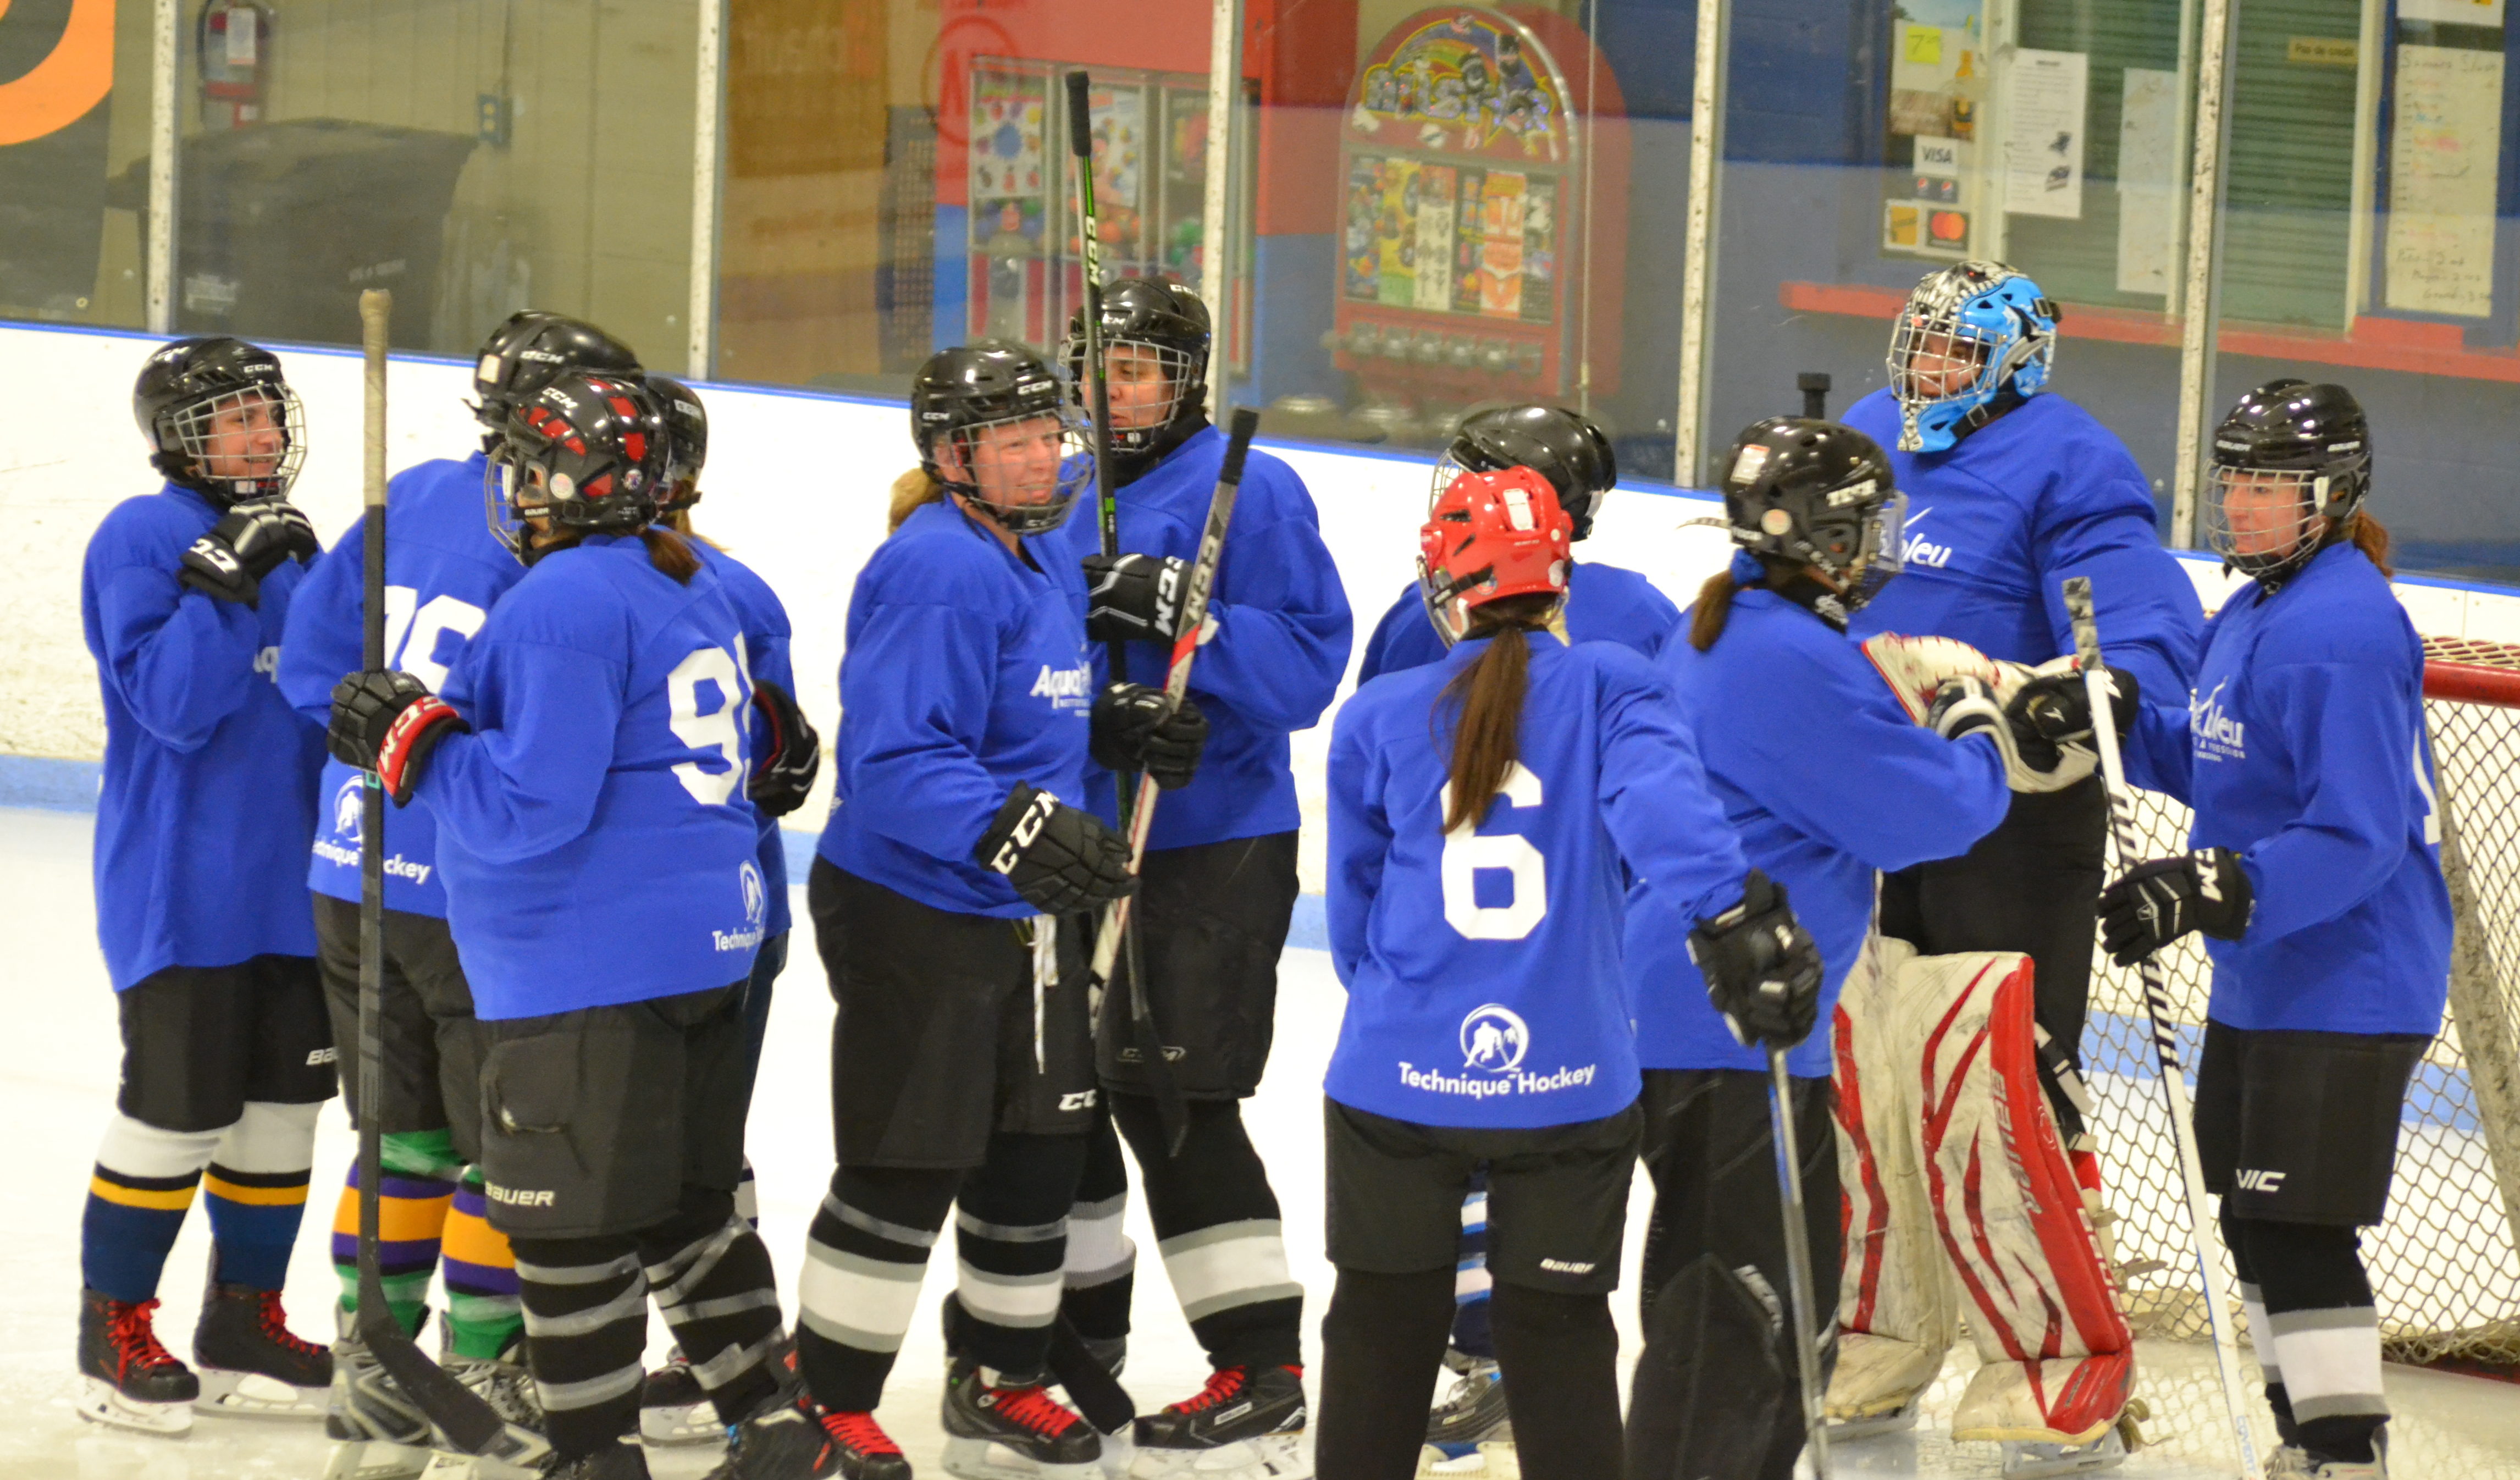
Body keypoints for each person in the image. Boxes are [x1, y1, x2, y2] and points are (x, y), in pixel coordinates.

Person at [717, 341, 1203, 1480]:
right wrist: (1021, 829)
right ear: (953, 456)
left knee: (1037, 1152)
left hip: (1017, 910)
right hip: (919, 907)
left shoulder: (1030, 557)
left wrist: (1111, 729)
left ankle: (1001, 1373)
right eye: (1016, 441)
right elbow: (894, 760)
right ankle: (829, 1390)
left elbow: (1017, 721)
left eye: (1051, 435)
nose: (1045, 458)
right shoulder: (940, 566)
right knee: (907, 1156)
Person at [328, 371, 794, 1480]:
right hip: (702, 948)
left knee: (570, 1230)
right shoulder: (688, 574)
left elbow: (530, 805)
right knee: (686, 1211)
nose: (516, 483)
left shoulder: (564, 599)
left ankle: (593, 1456)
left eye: (531, 464)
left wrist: (414, 739)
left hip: (583, 961)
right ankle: (782, 1434)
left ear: (570, 483)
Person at [1317, 465, 1822, 1480]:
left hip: (1393, 1081)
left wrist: (1409, 1009)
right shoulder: (1613, 682)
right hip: (1566, 1082)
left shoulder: (1378, 714)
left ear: (1444, 582)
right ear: (1560, 577)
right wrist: (1732, 914)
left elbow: (1353, 916)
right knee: (1556, 1334)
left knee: (1378, 1328)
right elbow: (1666, 817)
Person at [1622, 417, 2027, 1480]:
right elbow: (1923, 819)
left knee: (1730, 1304)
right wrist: (1972, 720)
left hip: (1702, 1012)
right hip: (1733, 1026)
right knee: (1746, 1319)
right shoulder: (1779, 656)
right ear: (1809, 537)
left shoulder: (1728, 627)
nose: (1877, 545)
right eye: (1859, 525)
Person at [1833, 261, 2201, 1433]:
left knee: (2002, 1079)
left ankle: (2056, 1357)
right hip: (1869, 801)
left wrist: (2092, 684)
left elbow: (2144, 623)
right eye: (1918, 348)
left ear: (2011, 366)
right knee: (1866, 1082)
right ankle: (1880, 1330)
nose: (1923, 373)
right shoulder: (1861, 434)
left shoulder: (2071, 456)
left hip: (2012, 813)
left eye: (1952, 355)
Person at [280, 310, 640, 1465]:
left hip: (352, 868)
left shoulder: (421, 493)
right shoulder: (562, 539)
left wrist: (369, 753)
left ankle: (370, 1359)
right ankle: (483, 1353)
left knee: (397, 1140)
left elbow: (311, 675)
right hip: (475, 895)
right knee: (497, 1152)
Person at [2104, 382, 2444, 1480]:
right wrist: (2117, 716)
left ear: (2334, 493)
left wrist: (2210, 888)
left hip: (2349, 976)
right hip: (2266, 976)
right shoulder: (2254, 606)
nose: (2241, 503)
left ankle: (2345, 1453)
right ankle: (2307, 1442)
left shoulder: (2344, 625)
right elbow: (2218, 752)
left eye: (2270, 484)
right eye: (2235, 479)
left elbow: (2358, 835)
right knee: (2255, 1223)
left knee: (2298, 1226)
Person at [1044, 279, 1351, 1476]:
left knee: (1173, 1101)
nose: (1116, 391)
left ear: (1187, 375)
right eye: (1100, 366)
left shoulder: (1252, 489)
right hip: (1077, 836)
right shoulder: (1060, 484)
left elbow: (1311, 671)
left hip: (1209, 840)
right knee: (1060, 1092)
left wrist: (1199, 622)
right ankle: (1082, 1344)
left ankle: (1262, 1365)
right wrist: (1101, 721)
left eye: (1139, 368)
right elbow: (1029, 666)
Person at [1351, 402, 1670, 1467]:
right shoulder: (1639, 628)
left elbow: (1372, 856)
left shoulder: (1414, 626)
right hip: (1582, 1011)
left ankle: (1476, 1349)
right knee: (1564, 1312)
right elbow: (1671, 805)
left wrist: (1389, 981)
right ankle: (1502, 1347)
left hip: (1415, 1034)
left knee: (1382, 1312)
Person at [76, 335, 332, 1435]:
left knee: (282, 1114)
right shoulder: (142, 534)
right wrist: (222, 587)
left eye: (269, 414)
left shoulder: (302, 546)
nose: (262, 435)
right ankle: (112, 1329)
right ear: (180, 439)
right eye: (236, 418)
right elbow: (176, 707)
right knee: (177, 1111)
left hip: (297, 884)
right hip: (186, 881)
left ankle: (243, 1318)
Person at [635, 372, 822, 1447]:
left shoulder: (729, 593)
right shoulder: (730, 586)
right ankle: (715, 1342)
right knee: (677, 1138)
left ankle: (719, 1344)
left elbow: (774, 766)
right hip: (711, 918)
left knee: (691, 1143)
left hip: (717, 919)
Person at [1357, 402, 1674, 683]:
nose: (1455, 492)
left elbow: (1378, 711)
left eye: (1473, 483)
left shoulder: (1429, 605)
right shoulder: (1642, 605)